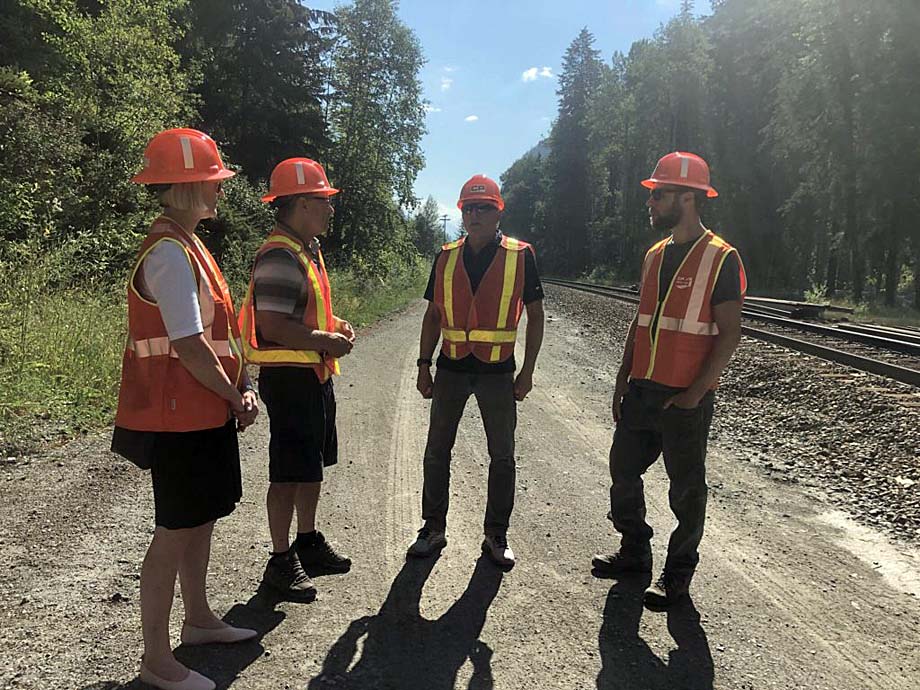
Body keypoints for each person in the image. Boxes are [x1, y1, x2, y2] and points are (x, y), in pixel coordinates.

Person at [111, 128, 258, 690]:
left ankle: (196, 620)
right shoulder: (170, 253)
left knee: (201, 518)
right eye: (212, 181)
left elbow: (218, 339)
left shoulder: (189, 244)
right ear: (185, 187)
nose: (219, 190)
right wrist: (233, 394)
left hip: (201, 413)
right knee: (174, 530)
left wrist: (238, 388)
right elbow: (190, 345)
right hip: (178, 417)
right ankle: (156, 660)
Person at [591, 152, 747, 610]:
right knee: (623, 472)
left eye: (658, 194)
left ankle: (677, 576)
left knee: (685, 490)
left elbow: (731, 331)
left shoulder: (721, 257)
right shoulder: (654, 255)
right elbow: (642, 322)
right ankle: (634, 552)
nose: (651, 202)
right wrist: (623, 376)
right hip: (642, 389)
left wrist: (696, 393)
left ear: (688, 198)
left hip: (684, 398)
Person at [407, 174, 545, 568]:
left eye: (483, 207)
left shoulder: (521, 256)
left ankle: (495, 534)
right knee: (436, 452)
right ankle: (432, 529)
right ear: (462, 213)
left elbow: (535, 317)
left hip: (498, 371)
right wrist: (423, 364)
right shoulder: (446, 256)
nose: (475, 214)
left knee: (502, 455)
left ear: (498, 212)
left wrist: (528, 371)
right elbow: (433, 315)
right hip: (450, 367)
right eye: (469, 208)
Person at [239, 158, 354, 601]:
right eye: (324, 201)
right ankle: (280, 560)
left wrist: (334, 325)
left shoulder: (305, 249)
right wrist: (325, 338)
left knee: (310, 466)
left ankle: (306, 542)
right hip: (289, 380)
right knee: (288, 472)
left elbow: (303, 312)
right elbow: (271, 325)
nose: (330, 209)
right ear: (303, 204)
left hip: (312, 375)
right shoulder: (280, 255)